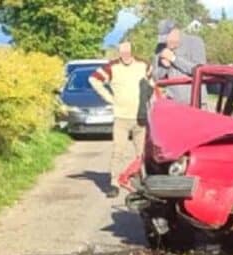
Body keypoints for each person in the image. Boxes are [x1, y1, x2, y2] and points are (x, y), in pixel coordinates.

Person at [89, 41, 151, 198]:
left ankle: (144, 180)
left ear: (132, 51)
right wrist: (109, 98)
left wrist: (151, 101)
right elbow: (94, 80)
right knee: (118, 151)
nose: (125, 55)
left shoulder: (143, 65)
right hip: (121, 117)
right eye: (122, 52)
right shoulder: (112, 67)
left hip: (141, 116)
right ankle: (114, 183)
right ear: (119, 52)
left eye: (128, 52)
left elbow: (152, 84)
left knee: (142, 152)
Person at [153, 19, 207, 106]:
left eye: (167, 38)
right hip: (173, 103)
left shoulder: (195, 42)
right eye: (162, 39)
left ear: (176, 31)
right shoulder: (160, 48)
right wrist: (164, 67)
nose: (165, 42)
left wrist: (174, 59)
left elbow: (200, 70)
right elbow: (156, 78)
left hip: (196, 103)